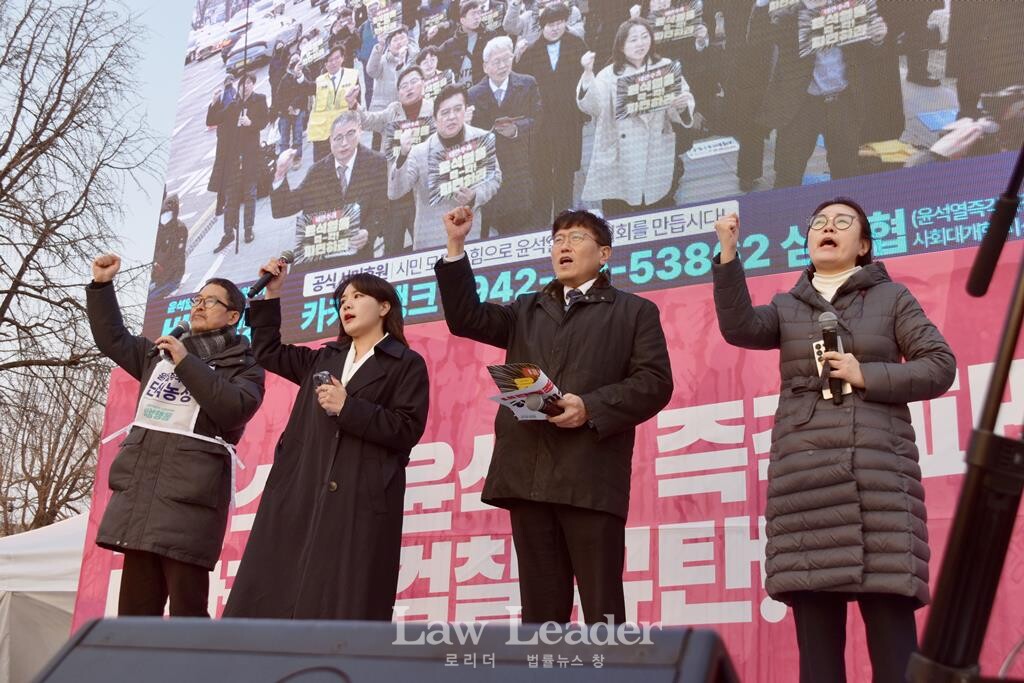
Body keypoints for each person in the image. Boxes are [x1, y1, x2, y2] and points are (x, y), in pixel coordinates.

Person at [711, 199, 956, 682]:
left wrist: (867, 374)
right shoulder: (787, 306)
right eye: (819, 223)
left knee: (894, 649)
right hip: (806, 484)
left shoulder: (892, 298)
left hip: (877, 483)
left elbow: (939, 365)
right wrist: (728, 252)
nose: (828, 227)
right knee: (818, 657)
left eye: (843, 222)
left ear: (862, 245)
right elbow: (739, 327)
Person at [434, 207, 673, 624]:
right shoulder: (526, 309)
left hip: (590, 477)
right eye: (558, 239)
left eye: (577, 238)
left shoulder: (634, 311)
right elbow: (465, 318)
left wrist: (590, 406)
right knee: (541, 616)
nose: (564, 245)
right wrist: (456, 245)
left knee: (602, 611)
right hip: (528, 475)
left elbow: (655, 382)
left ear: (604, 254)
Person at [223, 266, 429, 620]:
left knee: (344, 602)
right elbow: (268, 351)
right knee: (277, 593)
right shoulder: (323, 358)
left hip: (359, 499)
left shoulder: (406, 364)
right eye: (343, 300)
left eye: (358, 296)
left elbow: (407, 428)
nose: (346, 304)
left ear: (384, 307)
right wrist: (273, 293)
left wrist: (349, 408)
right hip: (303, 490)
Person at [86, 253, 265, 617]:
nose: (198, 306)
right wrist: (102, 287)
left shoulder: (244, 366)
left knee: (187, 615)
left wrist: (186, 361)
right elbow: (112, 339)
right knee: (135, 618)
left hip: (190, 506)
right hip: (143, 500)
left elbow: (234, 409)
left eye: (210, 301)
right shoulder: (158, 355)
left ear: (233, 316)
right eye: (197, 299)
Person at [576, 18, 695, 218]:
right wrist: (588, 74)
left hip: (655, 149)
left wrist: (682, 106)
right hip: (619, 154)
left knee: (658, 208)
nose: (640, 43)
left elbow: (682, 99)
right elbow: (593, 107)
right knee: (620, 214)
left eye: (644, 37)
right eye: (633, 40)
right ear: (620, 46)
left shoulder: (665, 66)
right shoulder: (608, 75)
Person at [388, 83, 502, 250]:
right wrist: (403, 154)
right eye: (445, 112)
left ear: (466, 110)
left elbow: (495, 178)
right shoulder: (420, 152)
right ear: (435, 119)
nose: (452, 117)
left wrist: (475, 196)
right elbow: (395, 192)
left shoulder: (481, 139)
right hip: (431, 239)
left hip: (469, 235)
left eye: (457, 109)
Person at [270, 112, 389, 262]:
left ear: (360, 132)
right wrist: (280, 172)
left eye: (350, 134)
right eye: (338, 138)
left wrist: (368, 231)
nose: (344, 143)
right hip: (322, 259)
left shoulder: (377, 163)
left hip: (358, 255)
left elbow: (382, 207)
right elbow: (283, 208)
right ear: (330, 141)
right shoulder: (317, 171)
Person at [517, 2, 587, 222]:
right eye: (551, 24)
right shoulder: (531, 51)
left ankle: (565, 217)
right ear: (542, 26)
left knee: (566, 171)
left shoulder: (576, 44)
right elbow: (523, 87)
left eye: (560, 23)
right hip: (541, 124)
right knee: (542, 172)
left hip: (568, 119)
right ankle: (541, 220)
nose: (556, 28)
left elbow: (585, 80)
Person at [468, 36, 541, 237]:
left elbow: (538, 119)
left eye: (507, 59)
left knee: (518, 225)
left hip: (519, 166)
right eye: (496, 61)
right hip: (488, 170)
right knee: (486, 226)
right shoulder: (473, 94)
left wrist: (516, 129)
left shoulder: (527, 83)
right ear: (485, 67)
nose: (503, 65)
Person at [355, 65, 433, 254]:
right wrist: (354, 105)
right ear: (398, 92)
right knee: (392, 249)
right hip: (395, 194)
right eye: (403, 86)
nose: (409, 88)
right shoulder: (392, 111)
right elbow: (367, 121)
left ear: (423, 84)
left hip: (424, 193)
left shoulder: (434, 110)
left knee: (425, 247)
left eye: (414, 82)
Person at [206, 72, 270, 251]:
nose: (245, 86)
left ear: (253, 84)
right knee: (231, 197)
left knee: (250, 194)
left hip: (251, 156)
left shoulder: (260, 100)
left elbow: (265, 120)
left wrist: (251, 123)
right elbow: (212, 120)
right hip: (233, 160)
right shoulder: (233, 105)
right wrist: (214, 102)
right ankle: (228, 232)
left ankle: (248, 229)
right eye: (242, 84)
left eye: (249, 83)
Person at [306, 45, 364, 162]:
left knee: (347, 163)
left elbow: (357, 102)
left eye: (337, 58)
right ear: (325, 63)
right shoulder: (319, 80)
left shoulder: (352, 75)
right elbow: (304, 88)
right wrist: (299, 76)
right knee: (322, 167)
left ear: (342, 58)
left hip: (344, 131)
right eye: (329, 60)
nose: (333, 63)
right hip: (321, 134)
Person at [440, 0, 496, 85]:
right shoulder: (450, 45)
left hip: (484, 87)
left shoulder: (490, 36)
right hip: (461, 89)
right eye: (473, 14)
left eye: (479, 13)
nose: (477, 17)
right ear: (462, 20)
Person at [150, 192, 189, 299]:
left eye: (168, 214)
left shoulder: (180, 229)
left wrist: (162, 276)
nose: (165, 217)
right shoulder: (159, 229)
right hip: (157, 272)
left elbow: (177, 258)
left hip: (171, 277)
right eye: (163, 214)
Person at [275, 53, 311, 158]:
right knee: (284, 138)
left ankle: (297, 156)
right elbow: (279, 95)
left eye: (297, 60)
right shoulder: (285, 78)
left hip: (299, 108)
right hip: (285, 111)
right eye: (293, 60)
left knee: (297, 135)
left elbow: (305, 92)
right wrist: (287, 108)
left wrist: (294, 105)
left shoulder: (305, 73)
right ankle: (284, 158)